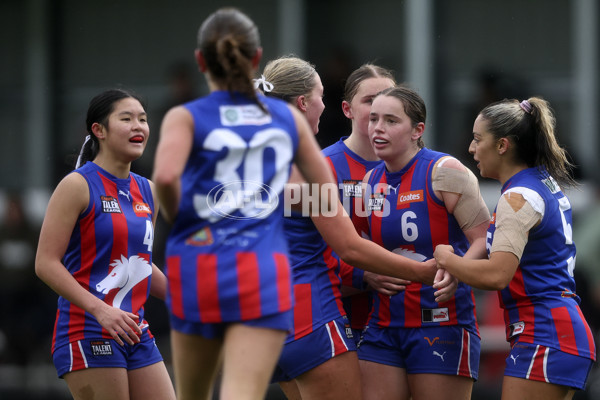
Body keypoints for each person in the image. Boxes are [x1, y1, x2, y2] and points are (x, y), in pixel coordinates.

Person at [151, 9, 347, 400]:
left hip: (197, 265)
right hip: (261, 268)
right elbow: (324, 184)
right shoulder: (283, 117)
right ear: (257, 59)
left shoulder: (184, 116)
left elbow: (166, 179)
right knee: (242, 390)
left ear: (200, 61)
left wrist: (187, 219)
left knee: (193, 392)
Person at [257, 56, 455, 400]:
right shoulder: (308, 165)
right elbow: (348, 246)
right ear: (304, 102)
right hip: (309, 314)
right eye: (320, 96)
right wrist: (421, 273)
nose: (324, 105)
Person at [434, 97, 596, 400]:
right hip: (556, 332)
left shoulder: (517, 197)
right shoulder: (538, 183)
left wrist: (447, 258)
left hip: (546, 333)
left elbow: (497, 275)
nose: (471, 148)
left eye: (478, 139)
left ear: (502, 145)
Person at [34, 88, 176, 400]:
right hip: (88, 329)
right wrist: (102, 311)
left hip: (134, 331)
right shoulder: (77, 185)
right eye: (126, 119)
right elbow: (45, 263)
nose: (138, 126)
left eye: (143, 119)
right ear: (98, 130)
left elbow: (139, 263)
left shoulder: (148, 191)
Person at [358, 85, 491, 400]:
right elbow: (360, 249)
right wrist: (367, 274)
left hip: (440, 320)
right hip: (384, 324)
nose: (378, 128)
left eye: (391, 121)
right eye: (374, 119)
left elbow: (485, 237)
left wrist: (457, 269)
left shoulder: (445, 171)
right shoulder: (368, 182)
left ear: (418, 130)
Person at [322, 63, 408, 343]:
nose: (380, 109)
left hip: (409, 317)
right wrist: (363, 275)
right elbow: (308, 251)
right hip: (343, 319)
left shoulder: (422, 167)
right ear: (347, 110)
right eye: (370, 101)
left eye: (388, 98)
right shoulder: (322, 168)